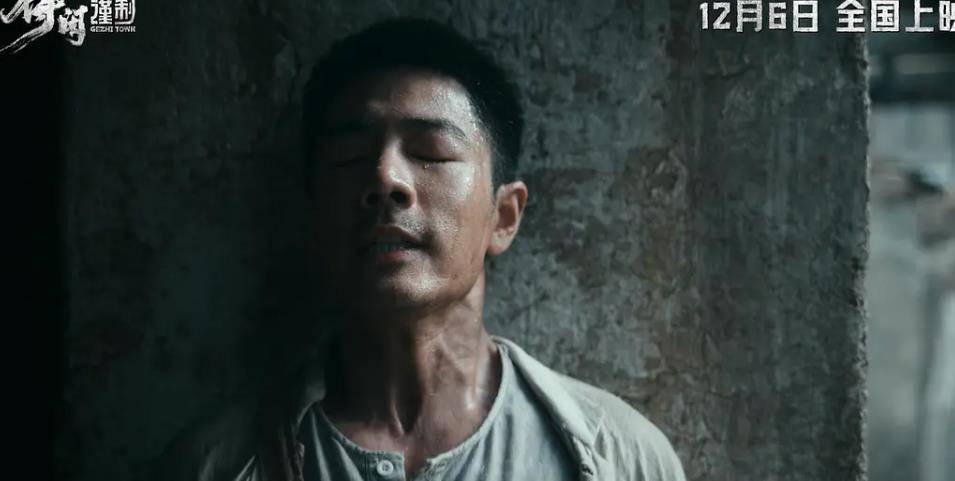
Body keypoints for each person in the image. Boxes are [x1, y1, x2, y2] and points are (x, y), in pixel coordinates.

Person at [157, 17, 686, 481]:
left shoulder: (621, 458)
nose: (385, 178)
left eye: (430, 153)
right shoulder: (215, 465)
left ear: (503, 216)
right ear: (314, 213)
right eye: (349, 158)